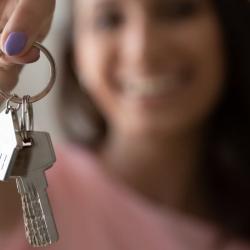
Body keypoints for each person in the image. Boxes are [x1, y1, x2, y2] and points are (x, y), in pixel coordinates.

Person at [0, 0, 250, 249]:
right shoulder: (15, 196)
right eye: (109, 20)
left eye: (177, 11)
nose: (143, 51)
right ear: (76, 54)